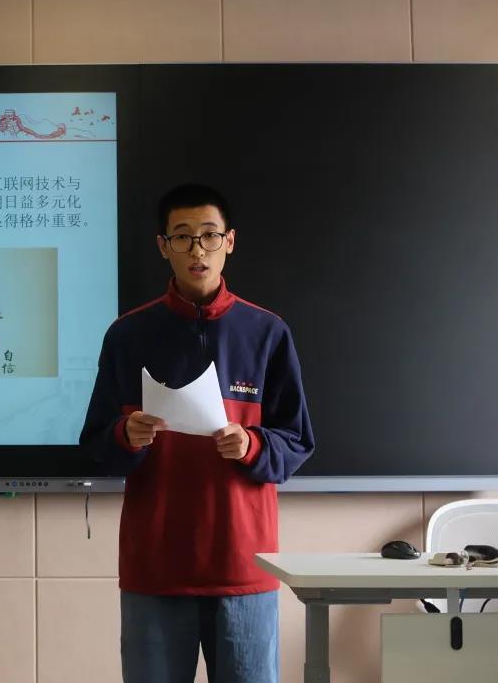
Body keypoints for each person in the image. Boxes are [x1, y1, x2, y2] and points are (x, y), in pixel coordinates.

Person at [80, 183, 315, 683]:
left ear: (229, 241)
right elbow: (96, 441)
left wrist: (252, 444)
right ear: (162, 246)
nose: (197, 250)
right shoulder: (128, 334)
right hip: (156, 565)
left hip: (243, 564)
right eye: (182, 237)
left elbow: (297, 440)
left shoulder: (266, 332)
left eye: (209, 235)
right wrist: (126, 436)